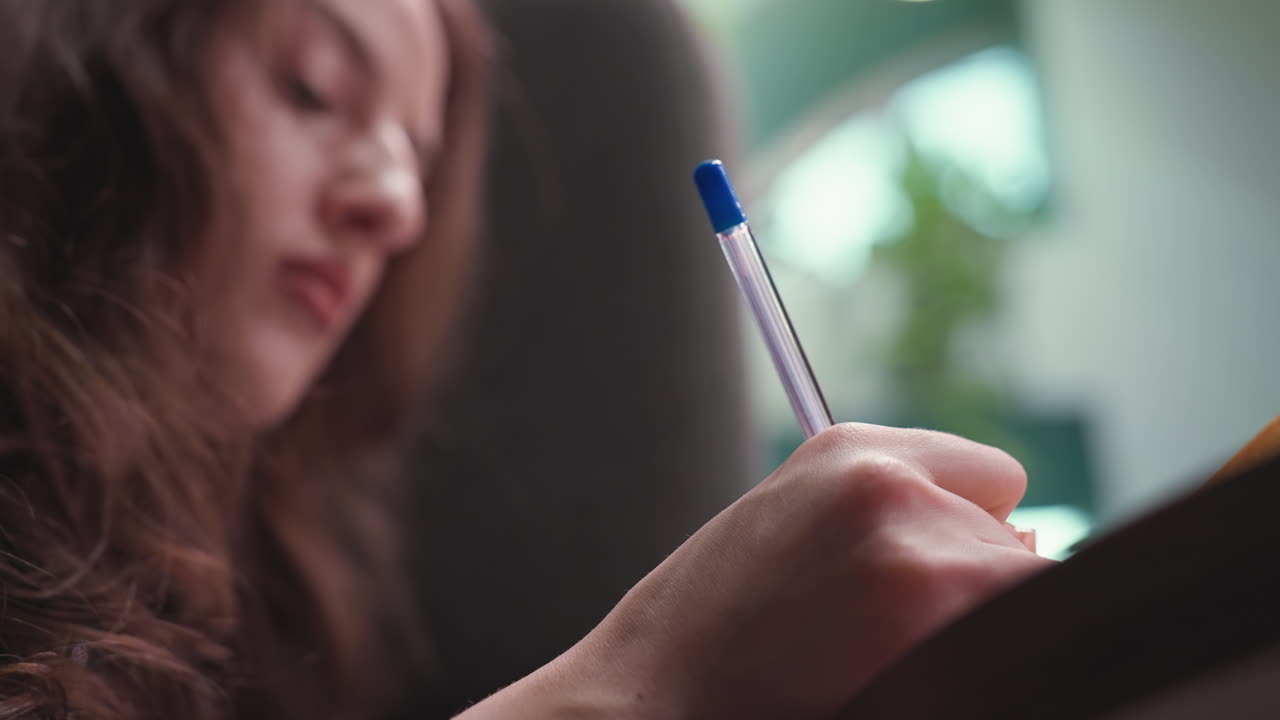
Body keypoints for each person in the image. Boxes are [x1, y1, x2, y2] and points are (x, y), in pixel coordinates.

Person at [0, 0, 1049, 718]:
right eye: (313, 89)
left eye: (417, 163)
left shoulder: (256, 609)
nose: (397, 209)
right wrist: (647, 682)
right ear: (96, 72)